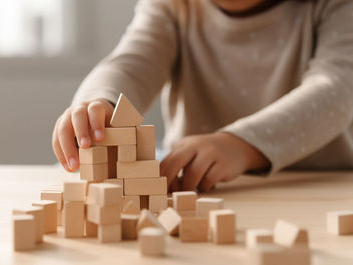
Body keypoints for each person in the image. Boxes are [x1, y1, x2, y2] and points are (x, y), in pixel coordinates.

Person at [52, 0, 353, 192]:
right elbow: (133, 62)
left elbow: (338, 89)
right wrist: (100, 102)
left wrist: (241, 145)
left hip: (321, 185)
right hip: (198, 187)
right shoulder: (172, 6)